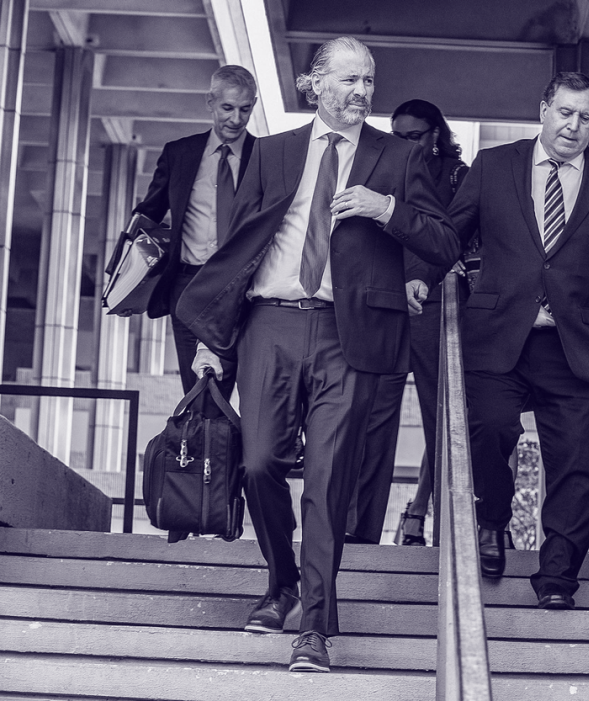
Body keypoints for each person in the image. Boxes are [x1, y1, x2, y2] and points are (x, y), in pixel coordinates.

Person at [176, 36, 457, 672]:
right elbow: (237, 250)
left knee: (330, 481)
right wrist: (213, 344)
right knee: (257, 464)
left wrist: (386, 209)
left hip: (348, 333)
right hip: (269, 325)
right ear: (316, 85)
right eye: (350, 80)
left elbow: (443, 241)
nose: (362, 92)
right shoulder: (271, 153)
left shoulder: (398, 156)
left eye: (369, 81)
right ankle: (281, 583)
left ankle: (317, 627)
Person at [412, 72, 589, 609]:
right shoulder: (495, 165)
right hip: (498, 335)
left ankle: (556, 578)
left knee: (582, 463)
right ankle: (493, 518)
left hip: (578, 343)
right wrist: (419, 276)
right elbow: (451, 234)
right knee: (485, 430)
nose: (573, 125)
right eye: (564, 112)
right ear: (544, 109)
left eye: (585, 117)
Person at [133, 64, 257, 397]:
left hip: (240, 290)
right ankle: (203, 448)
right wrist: (127, 276)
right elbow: (148, 215)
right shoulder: (180, 154)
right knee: (199, 390)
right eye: (227, 108)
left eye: (245, 109)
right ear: (210, 102)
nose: (236, 119)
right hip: (187, 285)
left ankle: (220, 448)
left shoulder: (265, 157)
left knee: (228, 386)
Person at [390, 99, 471, 547]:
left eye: (414, 136)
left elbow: (459, 239)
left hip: (437, 303)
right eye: (397, 136)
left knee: (440, 415)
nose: (406, 145)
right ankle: (390, 520)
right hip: (384, 300)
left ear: (436, 135)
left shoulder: (460, 176)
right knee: (369, 419)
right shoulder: (383, 168)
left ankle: (441, 529)